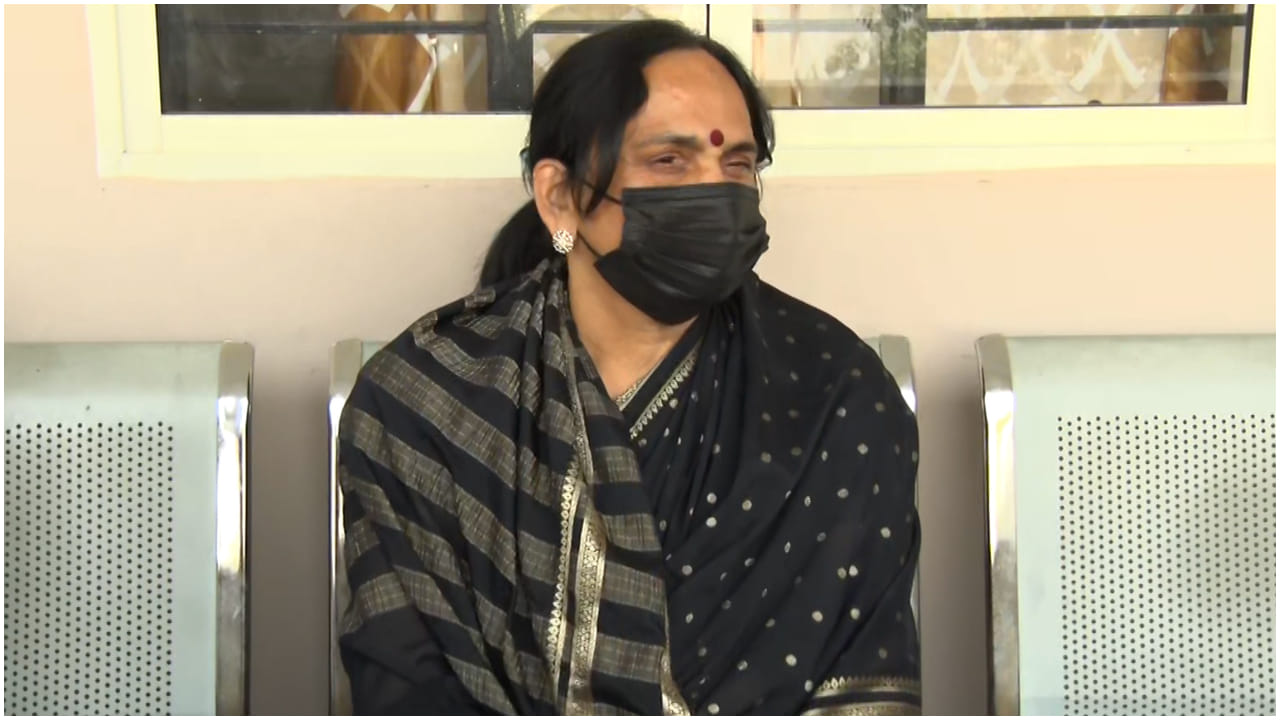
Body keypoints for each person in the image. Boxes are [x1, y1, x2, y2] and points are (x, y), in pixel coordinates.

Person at [337, 19, 921, 716]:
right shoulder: (422, 404)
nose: (714, 190)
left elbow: (863, 681)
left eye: (736, 166)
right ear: (560, 197)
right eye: (670, 161)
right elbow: (409, 684)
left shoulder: (836, 396)